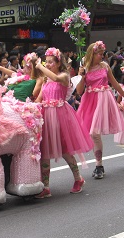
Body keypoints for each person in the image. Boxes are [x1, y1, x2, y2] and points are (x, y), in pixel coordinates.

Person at [34, 47, 93, 198]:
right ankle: (46, 186)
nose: (47, 65)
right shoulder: (46, 79)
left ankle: (78, 179)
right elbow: (39, 98)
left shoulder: (64, 76)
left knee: (66, 150)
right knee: (45, 150)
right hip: (46, 116)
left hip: (61, 115)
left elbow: (56, 79)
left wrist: (39, 66)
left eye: (50, 62)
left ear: (58, 63)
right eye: (46, 62)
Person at [76, 41, 124, 179]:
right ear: (92, 54)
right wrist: (82, 76)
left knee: (95, 133)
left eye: (102, 53)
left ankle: (99, 165)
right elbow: (79, 91)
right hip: (89, 101)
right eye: (99, 54)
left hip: (104, 100)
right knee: (93, 133)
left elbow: (115, 84)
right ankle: (99, 165)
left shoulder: (105, 66)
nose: (101, 56)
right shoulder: (84, 68)